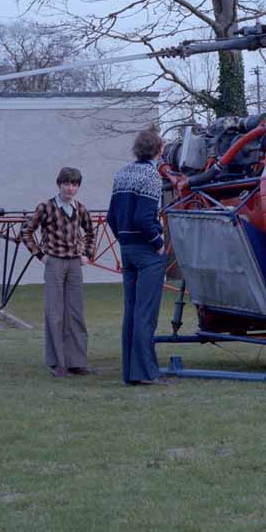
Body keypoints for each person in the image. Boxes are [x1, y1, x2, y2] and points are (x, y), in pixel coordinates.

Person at [107, 128, 168, 386]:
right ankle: (146, 372)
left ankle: (130, 372)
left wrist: (125, 241)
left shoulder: (121, 174)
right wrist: (158, 243)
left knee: (131, 312)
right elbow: (144, 218)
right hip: (147, 251)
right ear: (158, 150)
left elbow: (112, 217)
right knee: (146, 313)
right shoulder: (152, 177)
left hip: (127, 248)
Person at [21, 167, 95, 378]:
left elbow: (90, 231)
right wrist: (40, 255)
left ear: (78, 187)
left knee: (76, 313)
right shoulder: (46, 207)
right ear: (59, 184)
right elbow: (26, 231)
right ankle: (58, 363)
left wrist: (86, 255)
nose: (70, 188)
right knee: (55, 313)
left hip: (74, 264)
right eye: (66, 184)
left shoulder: (80, 208)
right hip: (54, 262)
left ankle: (77, 362)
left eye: (74, 184)